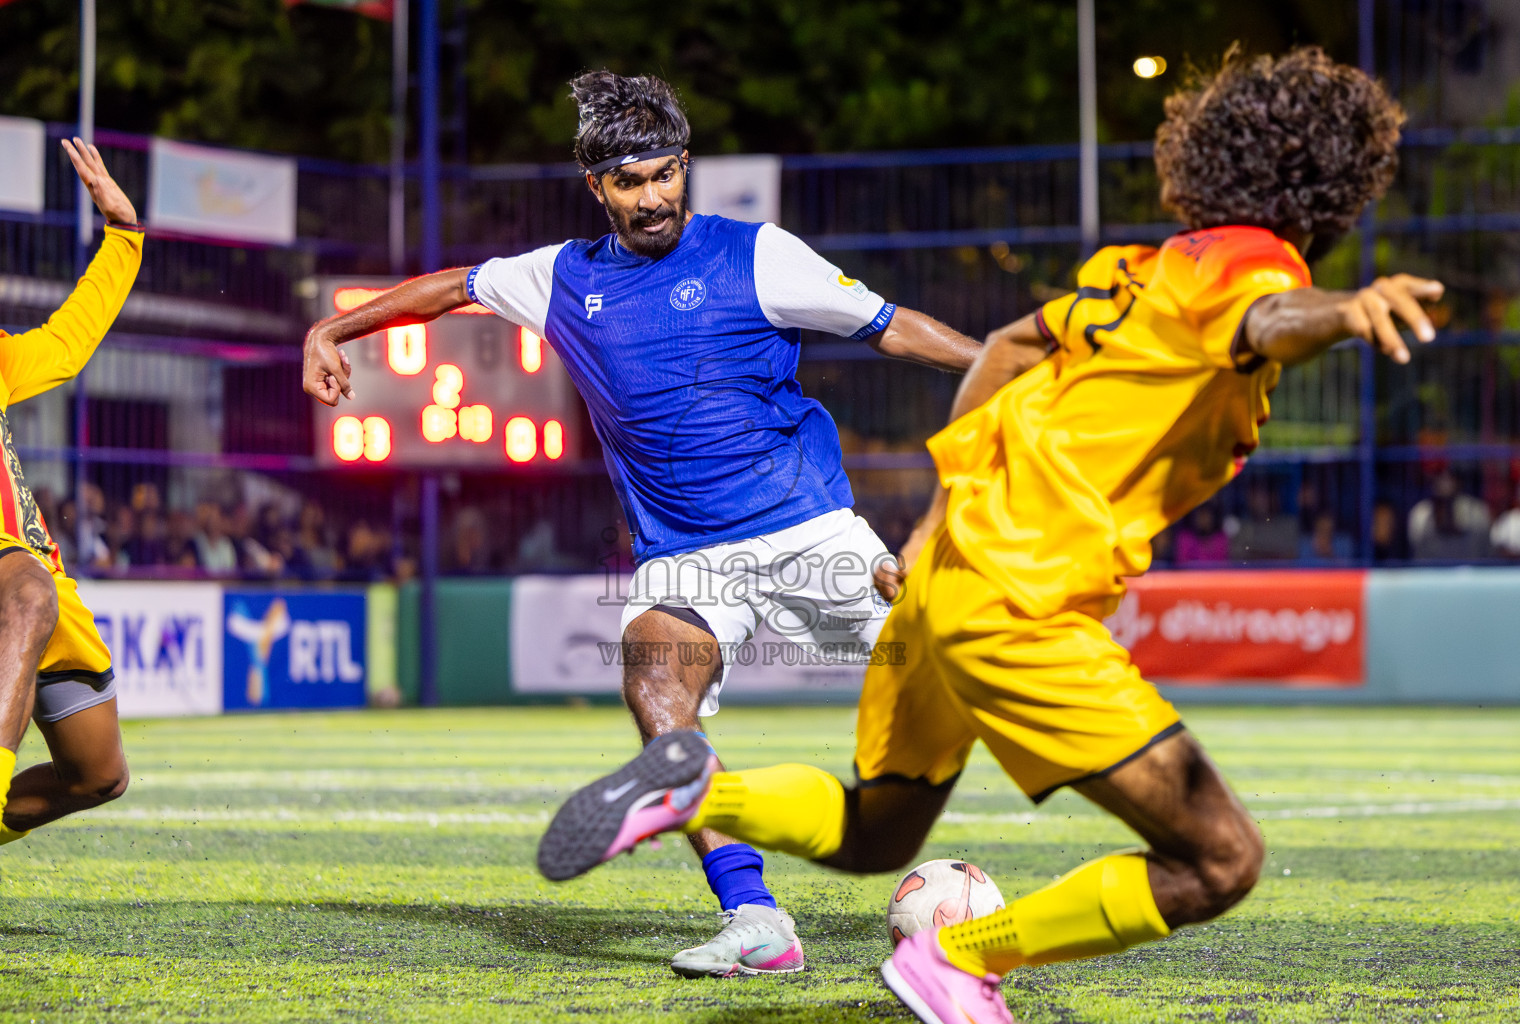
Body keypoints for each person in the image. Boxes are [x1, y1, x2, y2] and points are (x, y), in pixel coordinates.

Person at [538, 47, 1440, 1023]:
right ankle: (961, 959)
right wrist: (1341, 310)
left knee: (876, 831)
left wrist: (930, 524)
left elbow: (1012, 348)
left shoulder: (1135, 271)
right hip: (1021, 603)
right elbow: (1270, 318)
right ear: (1332, 184)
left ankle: (696, 788)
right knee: (1222, 858)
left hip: (950, 577)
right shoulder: (1257, 263)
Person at [303, 71, 981, 977]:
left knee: (967, 672)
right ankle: (756, 919)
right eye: (630, 182)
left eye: (665, 175)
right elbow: (450, 290)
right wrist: (334, 332)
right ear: (597, 187)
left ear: (686, 167)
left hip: (810, 531)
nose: (652, 196)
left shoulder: (759, 255)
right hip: (684, 558)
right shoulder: (561, 279)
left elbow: (894, 330)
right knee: (655, 688)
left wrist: (1016, 377)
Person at [0, 138, 144, 904]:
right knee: (28, 596)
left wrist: (124, 236)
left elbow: (71, 342)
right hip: (7, 571)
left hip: (28, 562)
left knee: (97, 771)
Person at [1408, 471, 1491, 561]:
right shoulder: (1420, 514)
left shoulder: (1476, 511)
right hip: (1430, 571)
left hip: (1470, 570)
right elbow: (1417, 549)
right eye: (1440, 476)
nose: (1445, 481)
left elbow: (1484, 549)